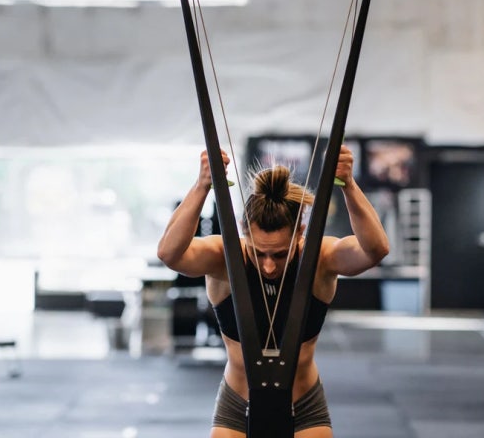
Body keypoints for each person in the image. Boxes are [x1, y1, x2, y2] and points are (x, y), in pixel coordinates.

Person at [157, 145, 389, 438]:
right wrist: (202, 185)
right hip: (237, 402)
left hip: (303, 404)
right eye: (259, 253)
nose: (268, 266)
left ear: (300, 232)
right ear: (243, 229)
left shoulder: (319, 257)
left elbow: (375, 250)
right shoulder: (224, 257)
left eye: (279, 254)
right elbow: (169, 254)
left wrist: (349, 186)